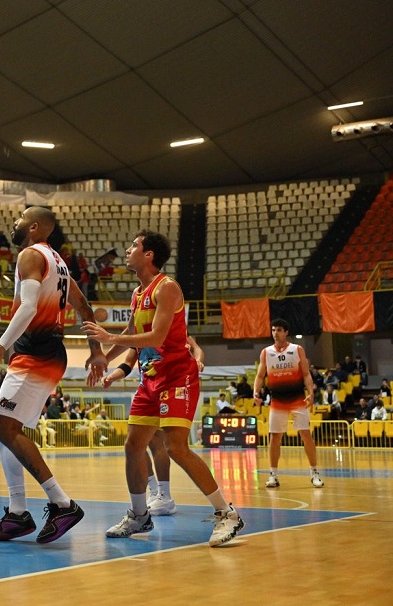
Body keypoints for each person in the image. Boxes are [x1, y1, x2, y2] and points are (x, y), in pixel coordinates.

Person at [83, 230, 244, 547]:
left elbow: (156, 338)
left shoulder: (167, 288)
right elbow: (131, 332)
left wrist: (109, 339)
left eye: (134, 246)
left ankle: (228, 514)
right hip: (150, 379)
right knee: (133, 445)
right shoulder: (137, 293)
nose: (128, 250)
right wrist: (103, 357)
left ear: (149, 255)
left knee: (175, 446)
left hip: (177, 377)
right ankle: (139, 516)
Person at [0, 206, 107, 544]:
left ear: (35, 227)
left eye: (20, 218)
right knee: (5, 427)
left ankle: (62, 503)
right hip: (46, 351)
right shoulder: (60, 264)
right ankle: (18, 512)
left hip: (36, 350)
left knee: (4, 426)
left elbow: (30, 308)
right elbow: (84, 308)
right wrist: (95, 351)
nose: (14, 222)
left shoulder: (30, 255)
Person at [99, 336, 205, 518]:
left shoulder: (172, 329)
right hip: (148, 388)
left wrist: (198, 361)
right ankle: (154, 490)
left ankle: (165, 495)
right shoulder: (138, 334)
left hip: (171, 387)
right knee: (136, 444)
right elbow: (127, 364)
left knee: (160, 442)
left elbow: (197, 349)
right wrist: (111, 377)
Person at [252, 318, 324, 489]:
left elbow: (306, 374)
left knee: (306, 435)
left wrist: (311, 393)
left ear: (286, 332)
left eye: (278, 330)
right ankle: (273, 475)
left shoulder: (297, 350)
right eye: (273, 330)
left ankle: (314, 472)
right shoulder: (266, 352)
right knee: (275, 437)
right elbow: (260, 376)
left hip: (297, 399)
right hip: (277, 401)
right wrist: (255, 392)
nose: (275, 333)